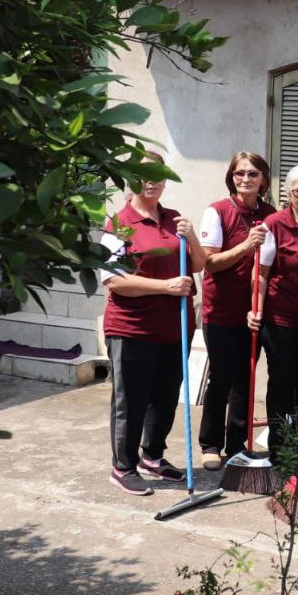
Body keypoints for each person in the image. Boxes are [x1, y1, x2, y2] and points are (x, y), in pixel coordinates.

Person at [101, 151, 207, 496]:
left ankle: (152, 457)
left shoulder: (173, 219)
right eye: (144, 174)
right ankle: (123, 466)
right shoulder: (118, 223)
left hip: (174, 328)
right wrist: (165, 287)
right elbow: (114, 281)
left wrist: (190, 236)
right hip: (132, 327)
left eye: (159, 174)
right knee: (131, 400)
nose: (152, 181)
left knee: (164, 397)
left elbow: (199, 263)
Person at [196, 151, 276, 470]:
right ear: (231, 177)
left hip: (252, 311)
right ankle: (211, 443)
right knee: (222, 376)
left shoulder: (271, 214)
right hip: (220, 310)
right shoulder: (217, 212)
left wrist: (259, 307)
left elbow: (267, 268)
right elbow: (208, 262)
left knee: (246, 377)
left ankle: (238, 444)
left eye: (253, 173)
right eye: (240, 173)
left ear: (264, 179)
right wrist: (246, 245)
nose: (245, 179)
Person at [248, 164, 298, 461]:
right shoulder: (275, 223)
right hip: (279, 318)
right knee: (282, 382)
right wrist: (255, 308)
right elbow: (261, 272)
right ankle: (280, 449)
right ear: (289, 193)